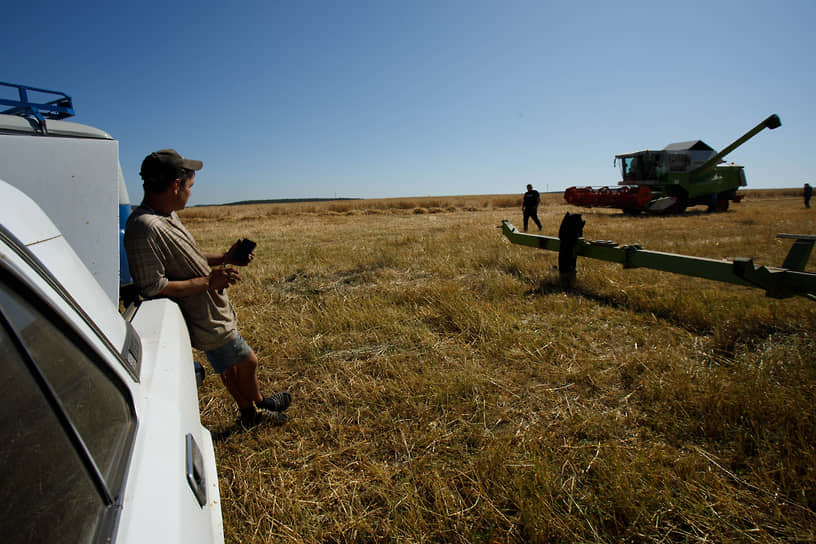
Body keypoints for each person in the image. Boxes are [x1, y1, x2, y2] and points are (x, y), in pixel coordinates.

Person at [124, 149, 291, 428]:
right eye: (189, 187)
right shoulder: (145, 227)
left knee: (230, 366)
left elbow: (190, 257)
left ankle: (250, 412)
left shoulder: (166, 216)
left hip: (210, 310)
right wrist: (208, 282)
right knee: (248, 361)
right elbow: (153, 287)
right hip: (203, 316)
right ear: (175, 186)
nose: (190, 193)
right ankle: (259, 405)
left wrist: (226, 257)